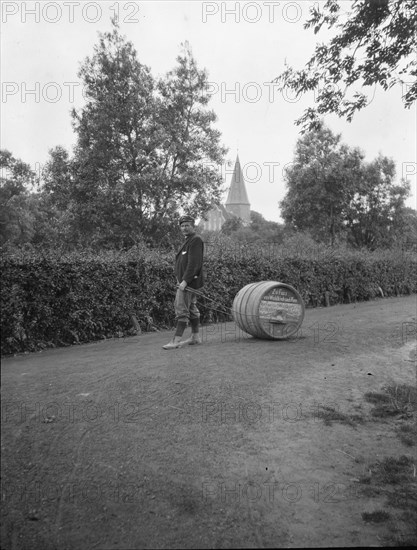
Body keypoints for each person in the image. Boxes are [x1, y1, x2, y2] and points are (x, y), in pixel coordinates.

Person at [162, 215, 204, 350]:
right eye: (182, 225)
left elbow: (194, 264)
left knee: (181, 309)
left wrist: (185, 281)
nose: (184, 228)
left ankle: (175, 341)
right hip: (185, 283)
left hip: (189, 284)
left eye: (187, 225)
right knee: (191, 309)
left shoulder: (196, 240)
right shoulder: (188, 240)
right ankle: (195, 337)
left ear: (193, 226)